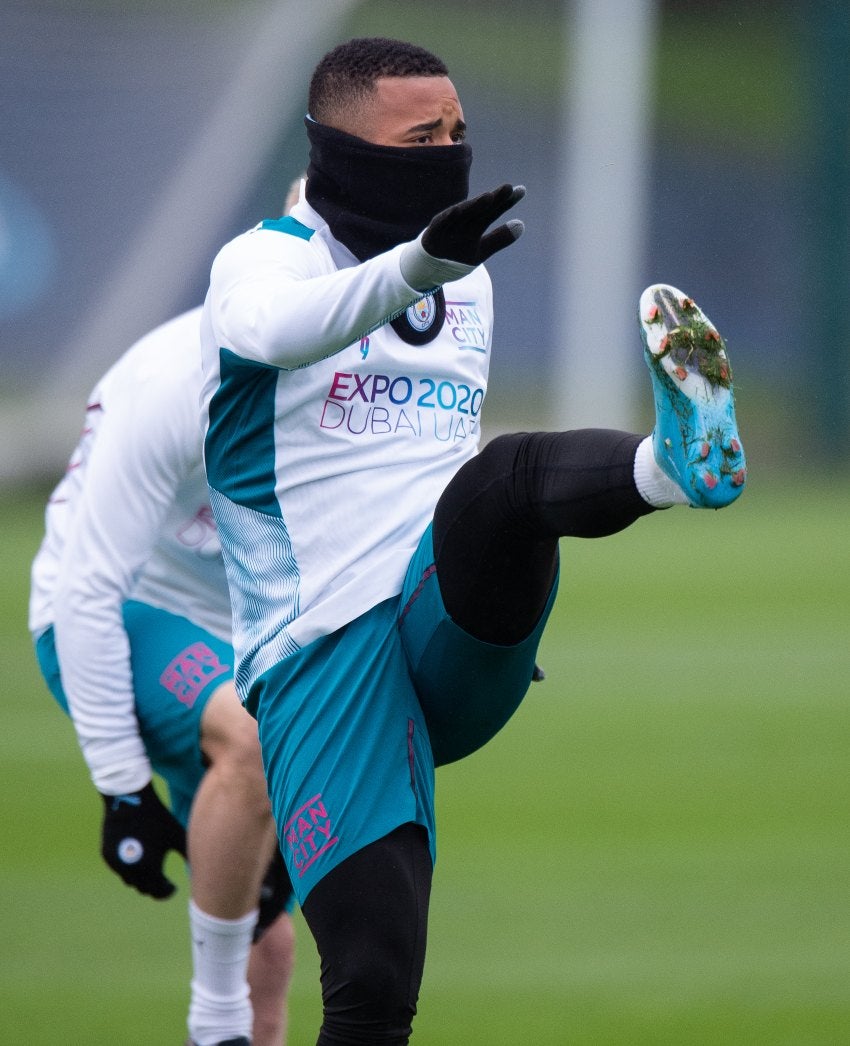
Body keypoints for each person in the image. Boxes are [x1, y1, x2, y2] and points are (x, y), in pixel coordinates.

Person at [198, 36, 747, 1045]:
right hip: (321, 653)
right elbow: (282, 330)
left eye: (457, 133)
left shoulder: (465, 277)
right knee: (373, 979)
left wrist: (431, 267)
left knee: (502, 479)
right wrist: (417, 265)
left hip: (446, 613)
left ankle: (672, 468)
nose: (447, 154)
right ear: (342, 149)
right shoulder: (263, 259)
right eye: (421, 137)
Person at [29, 307, 297, 1046]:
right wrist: (123, 791)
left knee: (266, 946)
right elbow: (86, 590)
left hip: (244, 637)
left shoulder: (360, 367)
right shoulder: (173, 379)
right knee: (253, 741)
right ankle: (213, 1026)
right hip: (118, 612)